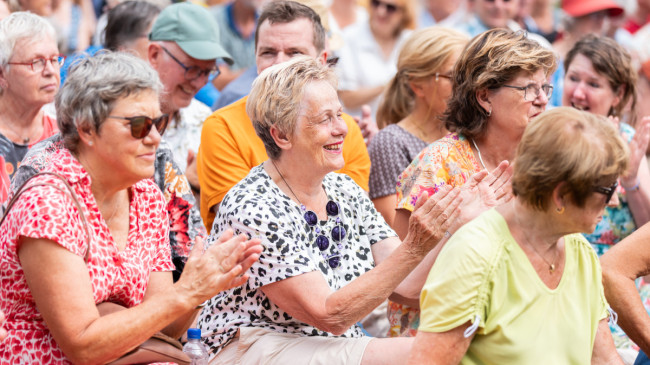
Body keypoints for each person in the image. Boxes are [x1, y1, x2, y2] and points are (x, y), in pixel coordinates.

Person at [196, 54, 471, 365]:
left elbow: (405, 284)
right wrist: (415, 247)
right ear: (281, 135)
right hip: (252, 346)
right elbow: (329, 314)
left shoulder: (344, 188)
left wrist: (458, 226)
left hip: (326, 341)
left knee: (463, 343)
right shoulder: (255, 205)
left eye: (339, 114)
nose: (342, 128)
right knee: (427, 353)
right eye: (325, 119)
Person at [0, 51, 262, 363]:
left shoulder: (147, 195)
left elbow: (161, 328)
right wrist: (186, 292)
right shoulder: (48, 201)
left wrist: (203, 287)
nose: (154, 138)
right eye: (138, 125)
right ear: (86, 129)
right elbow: (82, 345)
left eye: (158, 123)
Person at [409, 107, 626, 364]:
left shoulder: (579, 252)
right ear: (561, 195)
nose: (614, 200)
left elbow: (605, 359)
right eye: (607, 188)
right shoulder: (474, 256)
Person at [390, 28, 556, 337]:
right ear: (484, 96)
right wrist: (462, 228)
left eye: (545, 86)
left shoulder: (544, 162)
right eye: (528, 89)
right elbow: (397, 287)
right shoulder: (436, 165)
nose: (543, 99)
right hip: (441, 334)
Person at [197, 0, 371, 231]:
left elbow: (353, 221)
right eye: (268, 52)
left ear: (321, 61)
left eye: (294, 53)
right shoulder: (223, 127)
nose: (279, 63)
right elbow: (247, 227)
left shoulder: (345, 129)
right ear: (255, 59)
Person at [369, 26, 468, 226]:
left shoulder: (467, 134)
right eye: (455, 77)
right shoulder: (391, 143)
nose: (466, 86)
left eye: (469, 76)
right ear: (418, 85)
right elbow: (395, 232)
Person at [562, 34, 650, 252]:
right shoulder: (544, 134)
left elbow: (647, 229)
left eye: (593, 84)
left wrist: (629, 181)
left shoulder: (627, 140)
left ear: (618, 94)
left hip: (616, 269)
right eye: (573, 78)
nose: (578, 93)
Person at [148, 2, 233, 185]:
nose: (200, 82)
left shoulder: (204, 120)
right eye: (192, 68)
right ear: (154, 55)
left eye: (208, 72)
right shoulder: (121, 120)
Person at [0, 12, 61, 202]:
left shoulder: (66, 133)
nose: (50, 71)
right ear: (2, 74)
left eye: (54, 60)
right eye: (36, 62)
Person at [335, 0, 415, 122]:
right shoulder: (348, 37)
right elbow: (347, 98)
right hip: (360, 127)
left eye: (390, 8)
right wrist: (391, 83)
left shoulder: (410, 40)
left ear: (403, 13)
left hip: (399, 126)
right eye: (376, 3)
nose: (381, 11)